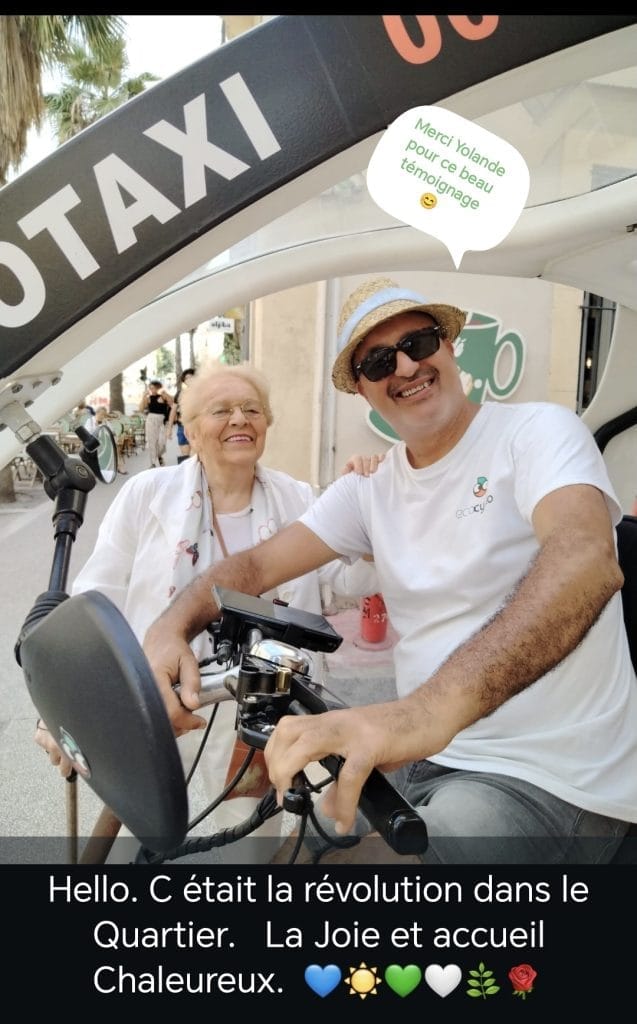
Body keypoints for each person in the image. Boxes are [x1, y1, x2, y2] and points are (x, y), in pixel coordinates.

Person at [143, 276, 637, 865]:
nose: (404, 365)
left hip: (550, 775)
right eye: (378, 360)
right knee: (288, 848)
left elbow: (585, 560)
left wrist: (415, 717)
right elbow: (253, 565)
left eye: (419, 342)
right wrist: (170, 628)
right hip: (431, 756)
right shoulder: (371, 487)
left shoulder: (537, 432)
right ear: (362, 389)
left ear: (450, 347)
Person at [36, 359, 379, 861]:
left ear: (266, 424)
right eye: (221, 410)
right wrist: (66, 706)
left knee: (247, 839)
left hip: (260, 701)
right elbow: (97, 597)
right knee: (139, 825)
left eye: (252, 409)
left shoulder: (298, 499)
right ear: (191, 431)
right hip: (157, 690)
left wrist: (371, 513)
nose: (240, 419)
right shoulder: (148, 494)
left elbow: (341, 584)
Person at [139, 378, 173, 468]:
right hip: (151, 420)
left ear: (158, 388)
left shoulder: (163, 396)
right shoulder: (149, 398)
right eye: (150, 388)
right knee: (152, 441)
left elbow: (172, 403)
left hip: (162, 421)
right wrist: (143, 396)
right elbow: (141, 409)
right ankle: (153, 463)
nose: (151, 390)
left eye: (153, 388)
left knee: (162, 442)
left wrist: (165, 393)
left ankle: (159, 456)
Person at [167, 367, 196, 463]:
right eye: (187, 378)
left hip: (197, 427)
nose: (190, 380)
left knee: (195, 455)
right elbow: (173, 412)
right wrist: (169, 429)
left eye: (192, 377)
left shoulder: (201, 393)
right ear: (184, 381)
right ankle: (187, 476)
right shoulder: (180, 394)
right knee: (186, 458)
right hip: (182, 428)